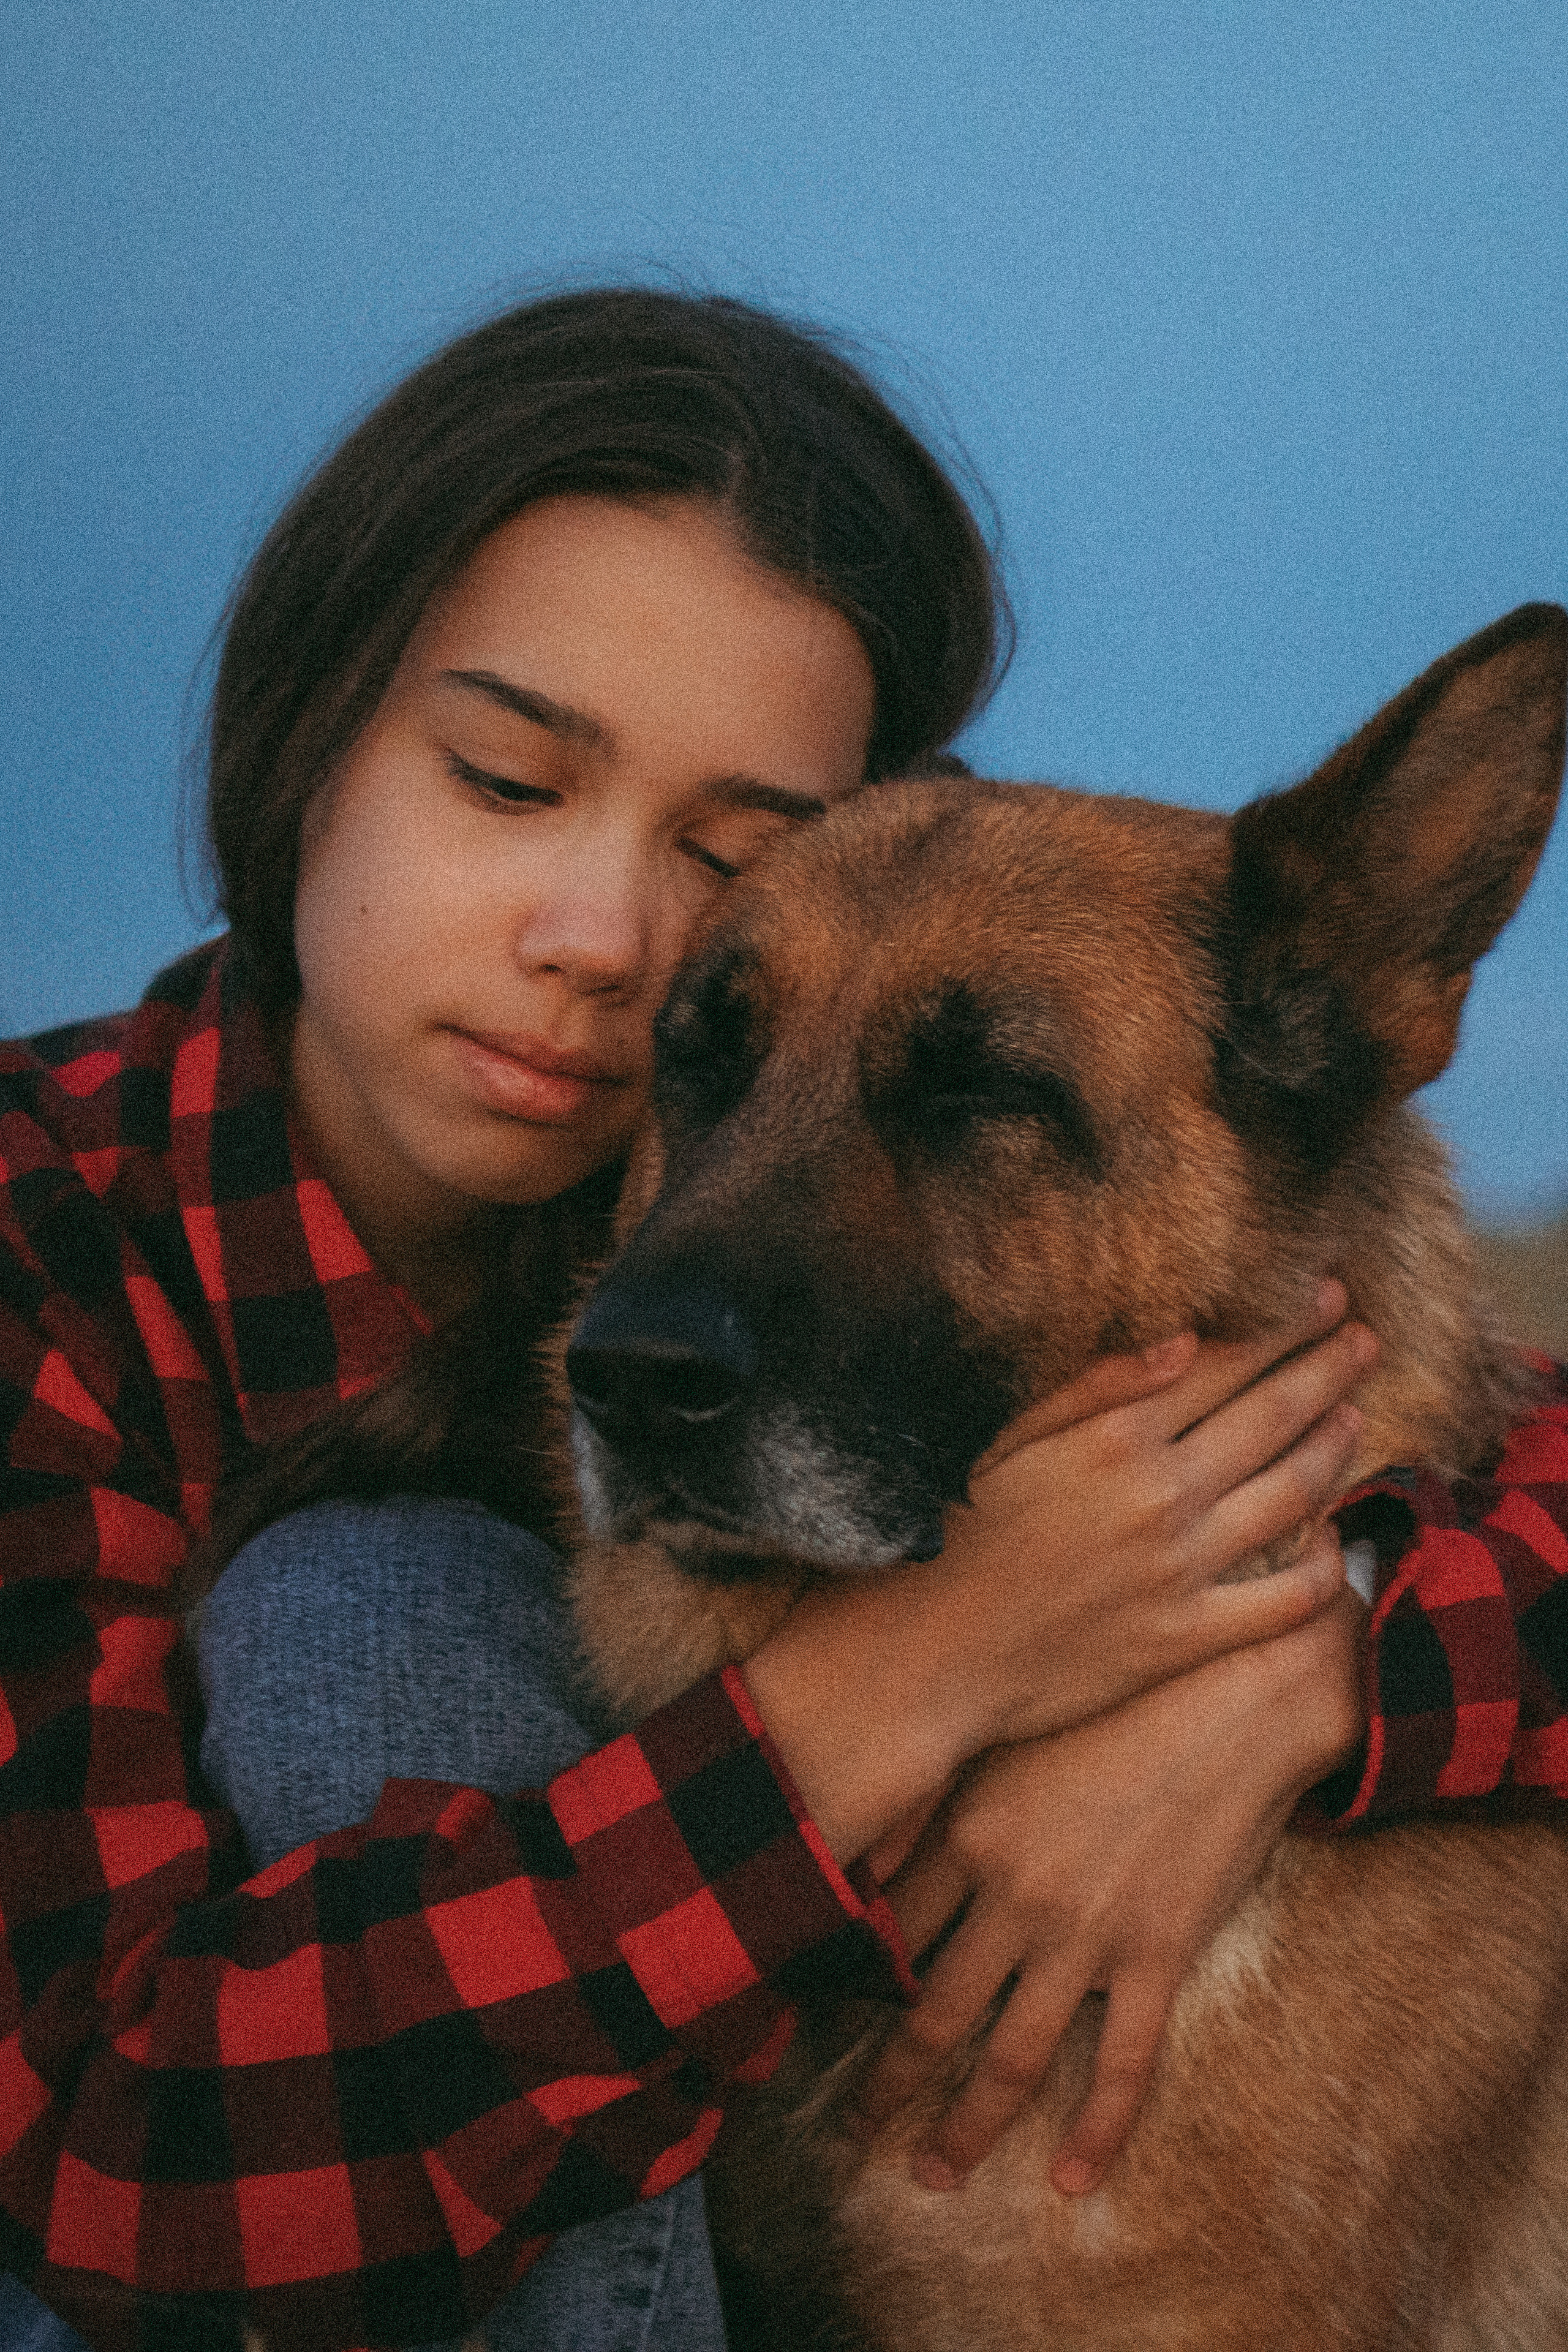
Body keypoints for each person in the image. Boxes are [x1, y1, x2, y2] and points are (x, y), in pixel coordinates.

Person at [1, 288, 1563, 2352]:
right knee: (366, 1614)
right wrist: (911, 1685)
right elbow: (132, 2167)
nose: (602, 946)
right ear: (308, 745)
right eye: (502, 780)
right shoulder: (49, 1239)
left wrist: (1302, 1669)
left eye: (731, 858)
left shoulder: (658, 1184)